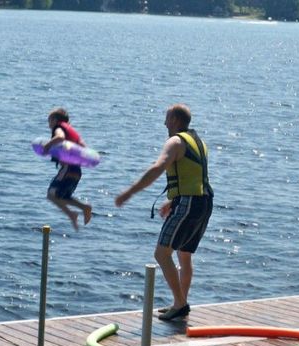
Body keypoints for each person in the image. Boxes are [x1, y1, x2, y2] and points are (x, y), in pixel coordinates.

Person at [115, 104, 213, 321]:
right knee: (184, 254)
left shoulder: (175, 141)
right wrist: (172, 200)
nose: (164, 123)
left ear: (176, 120)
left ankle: (180, 304)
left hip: (188, 203)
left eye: (167, 119)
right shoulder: (198, 142)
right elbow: (191, 176)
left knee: (161, 253)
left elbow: (158, 167)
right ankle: (181, 301)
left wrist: (130, 191)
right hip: (203, 201)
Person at [43, 108, 92, 231]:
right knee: (63, 197)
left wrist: (48, 145)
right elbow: (84, 148)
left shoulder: (58, 128)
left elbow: (60, 137)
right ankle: (84, 207)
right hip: (77, 171)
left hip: (67, 168)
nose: (49, 125)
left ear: (54, 120)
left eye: (49, 121)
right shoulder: (72, 131)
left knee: (51, 195)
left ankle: (72, 214)